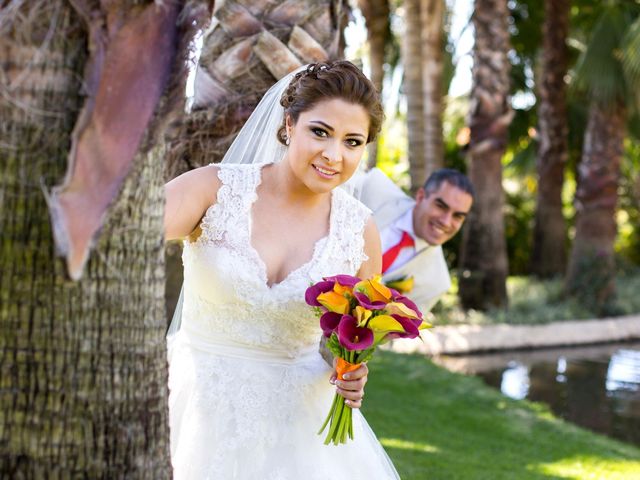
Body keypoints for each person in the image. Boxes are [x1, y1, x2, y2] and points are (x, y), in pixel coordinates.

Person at [163, 62, 400, 478]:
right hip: (194, 404)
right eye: (320, 132)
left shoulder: (359, 231)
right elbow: (119, 237)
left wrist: (352, 370)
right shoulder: (213, 190)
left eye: (353, 142)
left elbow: (347, 336)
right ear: (290, 124)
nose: (333, 155)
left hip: (301, 431)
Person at [350, 167, 474, 313]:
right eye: (441, 206)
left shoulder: (437, 283)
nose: (446, 222)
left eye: (457, 216)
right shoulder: (373, 187)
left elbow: (395, 332)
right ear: (421, 196)